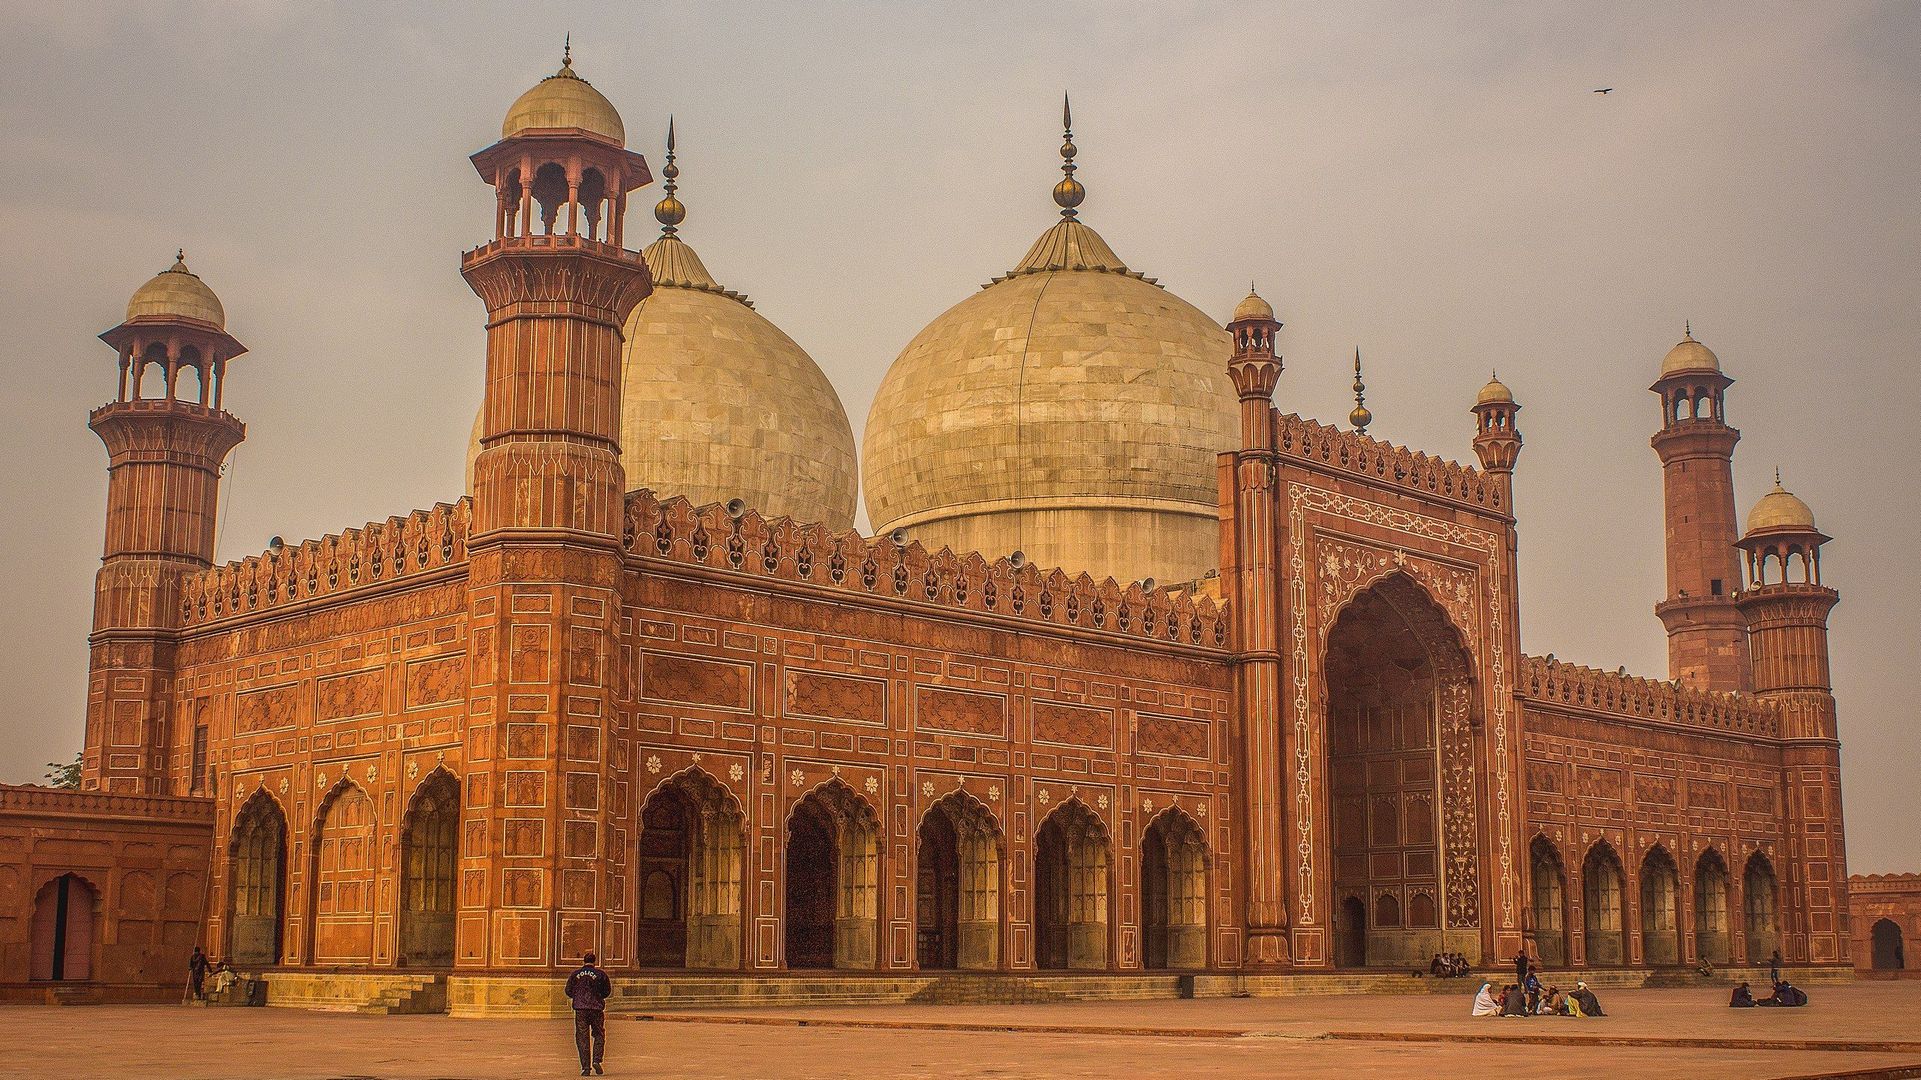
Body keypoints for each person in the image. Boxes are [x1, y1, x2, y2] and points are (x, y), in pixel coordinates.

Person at [567, 951, 612, 1076]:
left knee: (582, 1038)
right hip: (596, 1008)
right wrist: (598, 997)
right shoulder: (601, 974)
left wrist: (578, 997)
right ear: (594, 961)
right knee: (599, 1034)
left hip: (581, 1009)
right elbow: (607, 991)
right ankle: (597, 1060)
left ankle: (585, 1067)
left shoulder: (575, 974)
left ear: (584, 960)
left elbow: (568, 991)